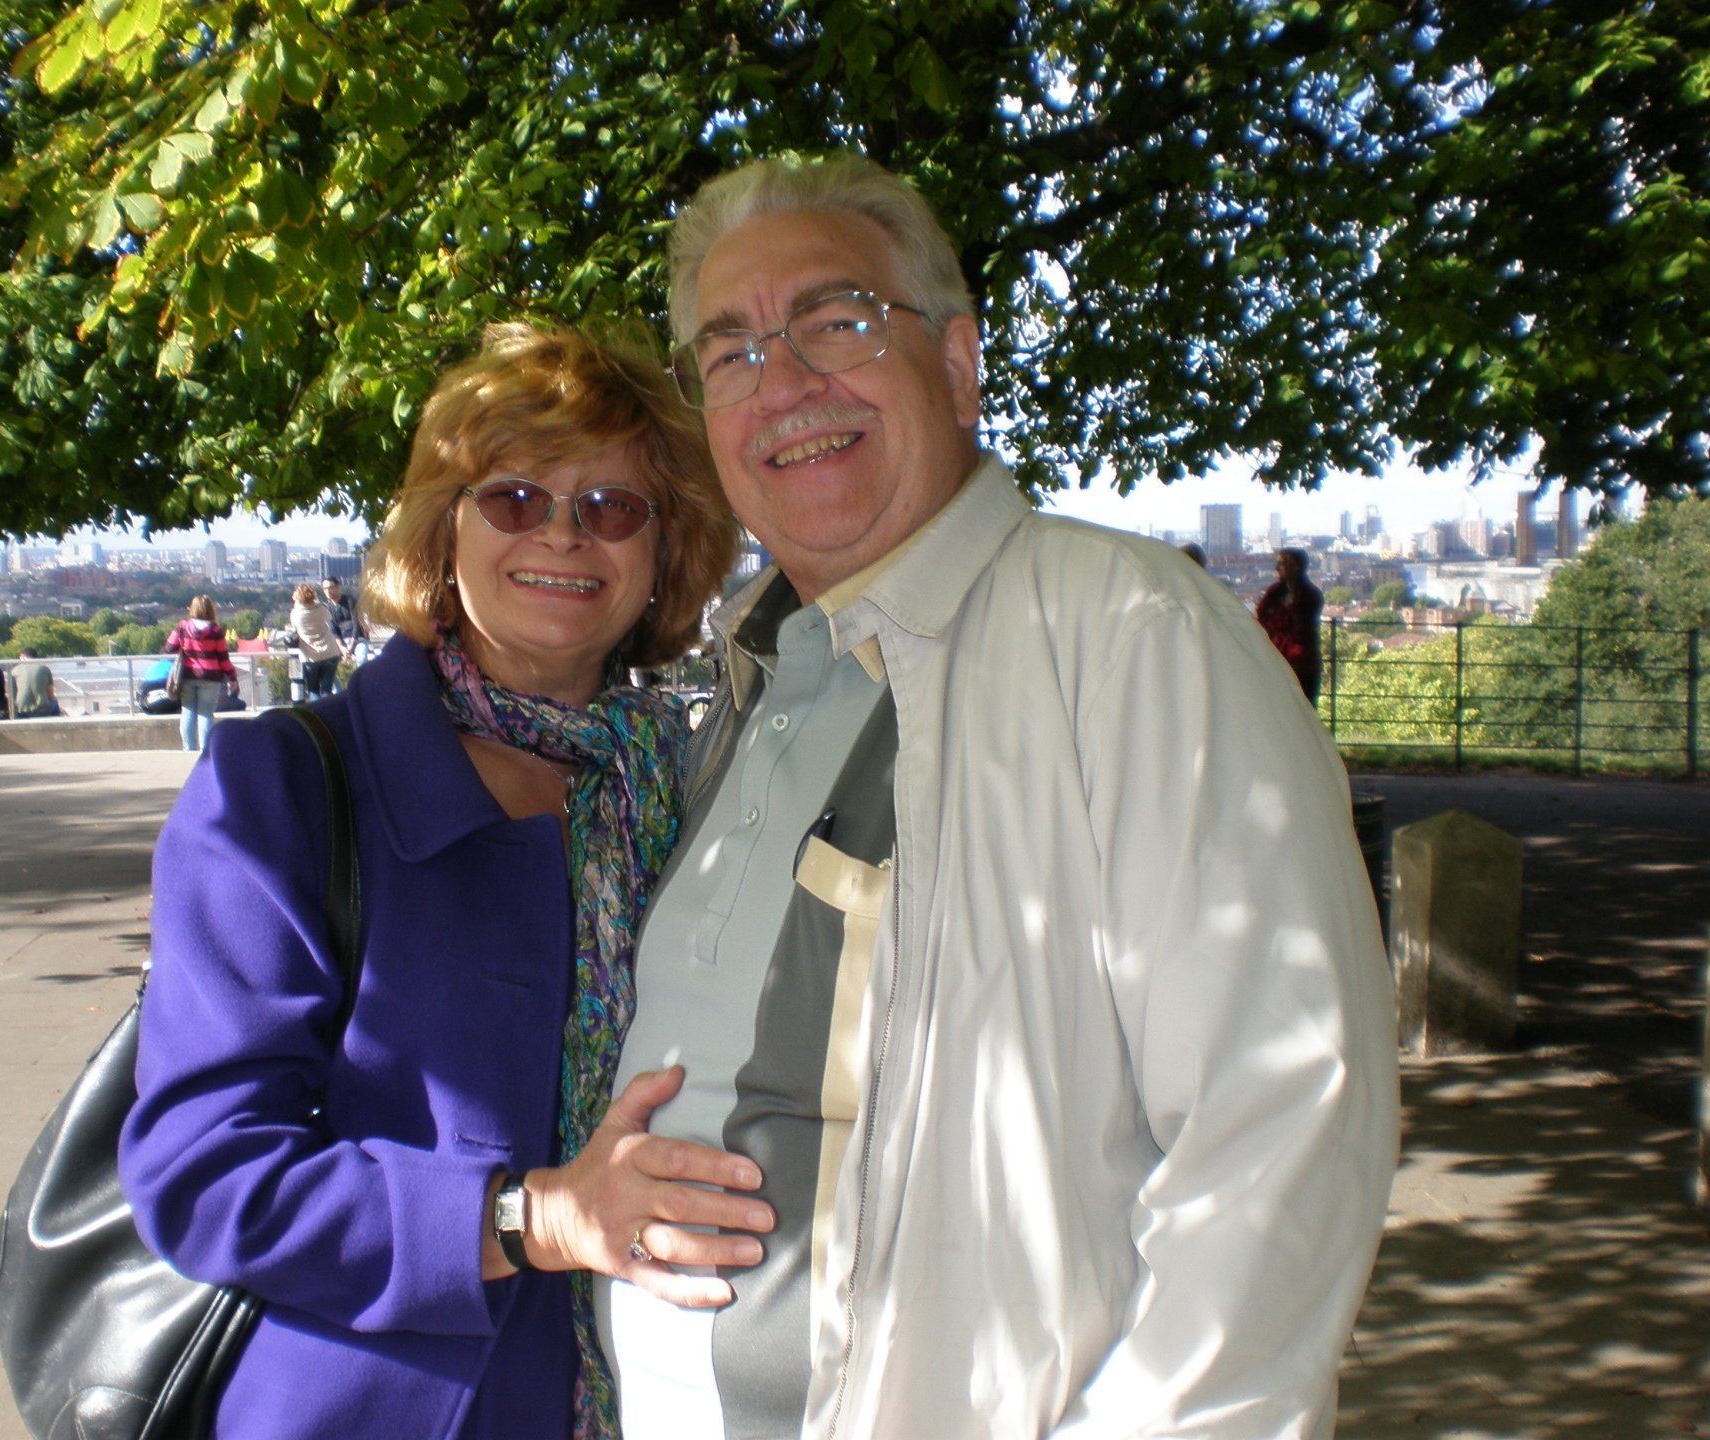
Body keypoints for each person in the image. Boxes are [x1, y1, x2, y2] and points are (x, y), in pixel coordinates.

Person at [595, 154, 1399, 1440]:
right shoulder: (758, 671)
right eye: (732, 349)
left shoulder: (1132, 636)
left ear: (960, 361)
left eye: (837, 320)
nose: (785, 381)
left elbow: (1283, 1131)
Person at [120, 324, 751, 1440]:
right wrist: (532, 1220)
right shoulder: (285, 791)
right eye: (514, 497)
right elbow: (204, 1174)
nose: (563, 533)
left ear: (665, 554)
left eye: (613, 507)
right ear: (440, 530)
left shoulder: (706, 785)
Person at [161, 596, 238, 751]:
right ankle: (205, 751)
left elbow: (168, 648)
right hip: (211, 678)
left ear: (192, 608)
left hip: (188, 676)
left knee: (188, 711)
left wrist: (184, 648)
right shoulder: (216, 631)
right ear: (211, 610)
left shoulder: (182, 627)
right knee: (206, 714)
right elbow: (224, 658)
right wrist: (232, 677)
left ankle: (189, 749)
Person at [1258, 546, 1326, 704]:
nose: (1276, 568)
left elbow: (1297, 628)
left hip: (1301, 665)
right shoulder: (1274, 592)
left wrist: (1274, 622)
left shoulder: (1311, 596)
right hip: (1278, 660)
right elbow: (1263, 618)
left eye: (1281, 564)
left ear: (1295, 567)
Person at [289, 583, 345, 699]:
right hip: (330, 652)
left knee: (313, 689)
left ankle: (317, 714)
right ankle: (329, 712)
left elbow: (294, 627)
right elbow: (329, 619)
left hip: (310, 656)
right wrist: (316, 602)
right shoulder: (321, 609)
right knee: (327, 689)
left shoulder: (296, 614)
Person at [10, 648, 61, 718]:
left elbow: (12, 694)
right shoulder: (44, 669)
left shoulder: (15, 670)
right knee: (54, 703)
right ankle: (56, 726)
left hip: (21, 711)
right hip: (42, 710)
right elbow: (51, 694)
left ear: (23, 656)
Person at [323, 575, 365, 659]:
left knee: (361, 659)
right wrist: (342, 647)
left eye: (330, 587)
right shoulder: (327, 607)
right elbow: (333, 630)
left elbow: (357, 624)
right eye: (325, 588)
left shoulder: (350, 601)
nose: (328, 591)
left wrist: (351, 646)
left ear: (338, 587)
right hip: (340, 642)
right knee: (329, 660)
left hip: (357, 639)